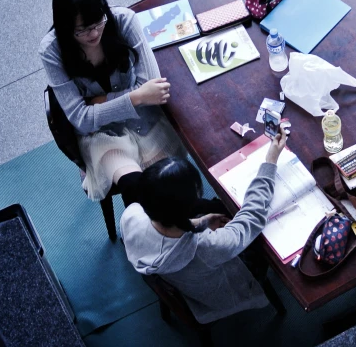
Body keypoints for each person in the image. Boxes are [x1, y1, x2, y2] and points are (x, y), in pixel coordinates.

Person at [39, 0, 187, 203]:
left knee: (166, 189)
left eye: (98, 22)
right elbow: (82, 120)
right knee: (135, 188)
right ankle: (139, 235)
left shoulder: (123, 20)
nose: (94, 33)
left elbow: (153, 89)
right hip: (100, 136)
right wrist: (136, 96)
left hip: (145, 122)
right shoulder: (52, 50)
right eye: (83, 30)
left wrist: (98, 102)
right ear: (65, 28)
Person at [120, 131, 287, 323]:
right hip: (217, 291)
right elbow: (251, 218)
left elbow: (169, 230)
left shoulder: (131, 214)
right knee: (263, 242)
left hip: (181, 275)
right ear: (189, 206)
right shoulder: (207, 247)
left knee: (217, 208)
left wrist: (200, 222)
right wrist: (270, 161)